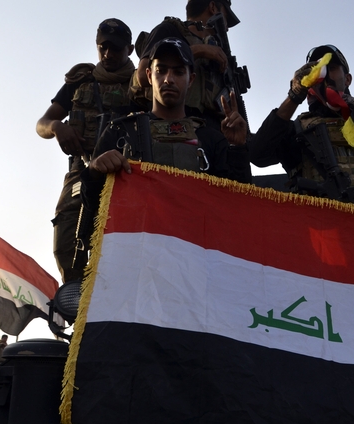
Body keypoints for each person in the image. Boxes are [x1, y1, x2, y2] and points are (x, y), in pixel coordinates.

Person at [81, 37, 249, 218]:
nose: (168, 79)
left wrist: (236, 148)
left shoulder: (210, 138)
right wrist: (94, 171)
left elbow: (237, 204)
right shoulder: (120, 132)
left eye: (178, 72)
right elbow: (92, 207)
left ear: (190, 79)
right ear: (149, 75)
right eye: (161, 71)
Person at [36, 18, 136, 283]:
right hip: (82, 171)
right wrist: (57, 126)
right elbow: (41, 124)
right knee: (68, 242)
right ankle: (76, 304)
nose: (108, 54)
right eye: (103, 47)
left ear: (130, 48)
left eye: (115, 48)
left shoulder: (143, 85)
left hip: (126, 175)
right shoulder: (80, 81)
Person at [249, 44, 354, 203]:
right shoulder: (297, 129)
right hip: (313, 225)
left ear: (348, 79)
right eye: (317, 69)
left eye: (332, 67)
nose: (324, 74)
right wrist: (294, 95)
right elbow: (258, 156)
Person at [132, 0, 241, 128]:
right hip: (169, 127)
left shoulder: (216, 52)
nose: (227, 28)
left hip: (208, 131)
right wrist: (198, 51)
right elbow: (142, 76)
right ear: (212, 7)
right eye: (226, 18)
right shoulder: (169, 30)